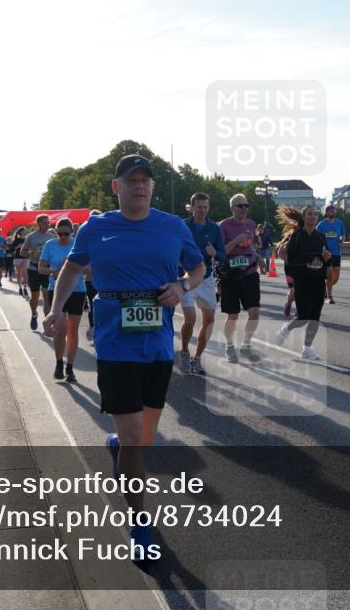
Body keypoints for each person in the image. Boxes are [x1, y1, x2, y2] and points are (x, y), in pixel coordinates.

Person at [43, 154, 204, 561]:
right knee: (136, 440)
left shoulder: (173, 226)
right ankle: (139, 522)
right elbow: (72, 269)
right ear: (116, 187)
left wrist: (182, 286)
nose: (140, 186)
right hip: (115, 345)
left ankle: (120, 444)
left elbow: (199, 266)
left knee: (143, 436)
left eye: (146, 180)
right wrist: (57, 308)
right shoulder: (97, 228)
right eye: (131, 180)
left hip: (158, 345)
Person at [274, 205, 331, 360]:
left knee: (315, 317)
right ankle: (286, 330)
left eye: (315, 214)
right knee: (303, 316)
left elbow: (325, 258)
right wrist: (307, 263)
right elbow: (290, 261)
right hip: (302, 280)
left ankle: (307, 348)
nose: (313, 216)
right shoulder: (297, 236)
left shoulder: (320, 236)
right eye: (309, 214)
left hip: (318, 280)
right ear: (304, 217)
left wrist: (326, 259)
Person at [178, 193, 225, 376]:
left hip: (206, 278)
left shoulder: (214, 228)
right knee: (190, 319)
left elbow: (222, 255)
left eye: (205, 207)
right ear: (192, 207)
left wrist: (215, 252)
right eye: (199, 207)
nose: (203, 210)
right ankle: (184, 353)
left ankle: (197, 359)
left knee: (209, 321)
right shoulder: (182, 226)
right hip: (187, 277)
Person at [39, 218, 87, 381]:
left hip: (78, 290)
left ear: (72, 232)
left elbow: (90, 269)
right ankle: (59, 362)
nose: (63, 237)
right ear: (56, 232)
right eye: (60, 234)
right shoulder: (50, 245)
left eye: (66, 234)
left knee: (73, 330)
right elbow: (41, 268)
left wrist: (73, 267)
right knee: (60, 328)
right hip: (57, 289)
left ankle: (70, 367)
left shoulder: (79, 244)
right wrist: (56, 270)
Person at [218, 194, 263, 364]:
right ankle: (229, 347)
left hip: (250, 273)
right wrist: (236, 240)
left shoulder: (251, 225)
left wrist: (257, 256)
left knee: (254, 311)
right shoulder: (224, 225)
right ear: (232, 208)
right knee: (233, 315)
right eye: (240, 206)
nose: (244, 208)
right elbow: (221, 252)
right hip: (230, 275)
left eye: (246, 205)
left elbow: (249, 246)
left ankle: (246, 345)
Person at [22, 215, 58, 330]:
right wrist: (32, 254)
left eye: (48, 222)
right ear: (38, 224)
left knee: (47, 296)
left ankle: (47, 324)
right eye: (45, 223)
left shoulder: (52, 236)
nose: (48, 224)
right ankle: (34, 314)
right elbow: (22, 252)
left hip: (47, 269)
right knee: (35, 296)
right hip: (33, 269)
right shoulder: (31, 236)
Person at [316, 204, 346, 304]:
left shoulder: (339, 223)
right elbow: (316, 237)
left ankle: (325, 289)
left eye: (334, 211)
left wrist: (341, 241)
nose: (333, 212)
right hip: (326, 254)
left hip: (337, 252)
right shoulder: (321, 224)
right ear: (327, 212)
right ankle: (330, 296)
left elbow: (343, 235)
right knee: (330, 276)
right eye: (331, 211)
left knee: (336, 277)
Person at [82, 210, 102, 343]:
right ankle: (94, 328)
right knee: (93, 306)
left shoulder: (108, 235)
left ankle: (102, 330)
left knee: (106, 305)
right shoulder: (84, 236)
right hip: (90, 279)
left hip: (107, 280)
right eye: (91, 219)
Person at [10, 227, 28, 295]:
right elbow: (11, 249)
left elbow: (32, 247)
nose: (27, 231)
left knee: (25, 273)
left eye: (26, 230)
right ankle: (20, 288)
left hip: (26, 257)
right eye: (25, 230)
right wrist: (17, 247)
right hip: (18, 258)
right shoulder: (16, 239)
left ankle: (25, 288)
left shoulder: (27, 239)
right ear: (21, 232)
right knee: (19, 274)